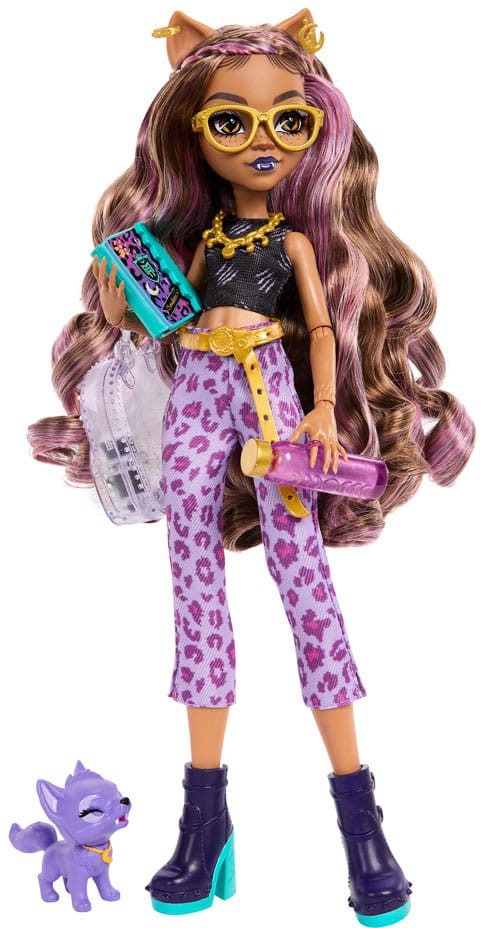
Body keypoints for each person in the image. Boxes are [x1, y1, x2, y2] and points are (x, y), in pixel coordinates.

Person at [29, 10, 475, 925]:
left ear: (316, 131)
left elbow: (322, 328)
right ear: (194, 133)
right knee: (191, 575)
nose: (262, 141)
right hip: (196, 384)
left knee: (303, 575)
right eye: (231, 121)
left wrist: (323, 407)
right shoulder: (201, 241)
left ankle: (361, 820)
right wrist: (119, 304)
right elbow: (166, 309)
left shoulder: (297, 243)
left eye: (289, 120)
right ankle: (205, 818)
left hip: (273, 390)